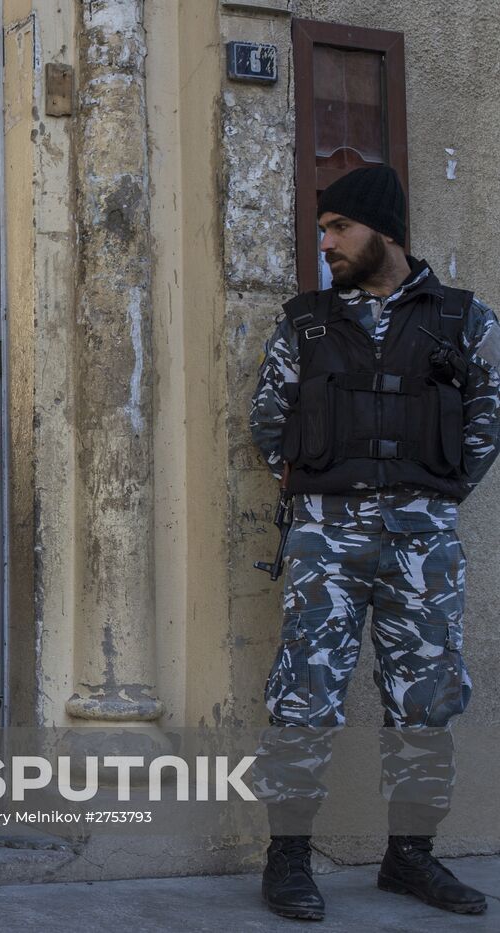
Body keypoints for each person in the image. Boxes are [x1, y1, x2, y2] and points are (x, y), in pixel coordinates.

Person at [250, 164, 498, 919]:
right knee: (304, 698)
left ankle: (410, 858)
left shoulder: (465, 319)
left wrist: (431, 496)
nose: (325, 243)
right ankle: (287, 859)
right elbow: (268, 422)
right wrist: (329, 491)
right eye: (323, 229)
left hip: (423, 544)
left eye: (339, 229)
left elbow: (487, 421)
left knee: (426, 703)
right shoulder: (306, 321)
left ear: (383, 231)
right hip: (326, 539)